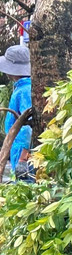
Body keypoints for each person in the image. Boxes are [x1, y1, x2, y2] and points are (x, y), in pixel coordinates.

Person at [0, 44, 32, 182]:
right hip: (17, 147)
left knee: (25, 189)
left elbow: (28, 126)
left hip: (23, 151)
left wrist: (23, 158)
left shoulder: (25, 90)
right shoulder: (22, 88)